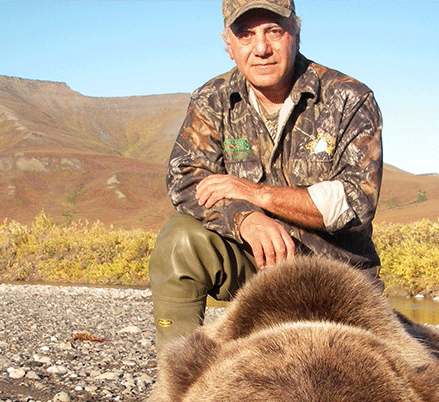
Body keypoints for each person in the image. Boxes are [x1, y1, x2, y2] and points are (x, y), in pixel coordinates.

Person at [150, 0, 383, 352]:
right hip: (253, 267)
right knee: (180, 239)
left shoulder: (349, 98)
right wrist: (244, 218)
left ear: (296, 34)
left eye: (273, 31)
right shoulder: (211, 100)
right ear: (228, 45)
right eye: (245, 34)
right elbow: (186, 178)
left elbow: (354, 202)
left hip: (335, 282)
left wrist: (259, 195)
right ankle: (179, 386)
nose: (261, 49)